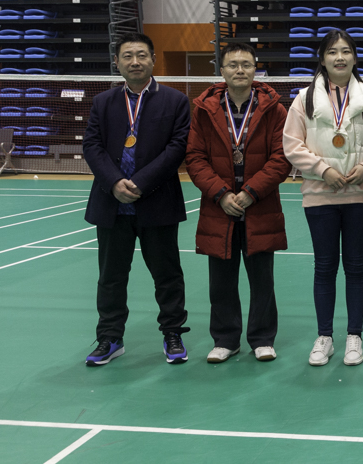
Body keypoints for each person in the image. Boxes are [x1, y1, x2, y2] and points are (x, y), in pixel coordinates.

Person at [82, 33, 191, 366]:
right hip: (111, 204)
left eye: (141, 55)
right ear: (117, 62)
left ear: (153, 60)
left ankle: (173, 333)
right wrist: (115, 182)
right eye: (127, 56)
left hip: (157, 202)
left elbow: (177, 147)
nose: (135, 62)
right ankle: (110, 337)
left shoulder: (175, 100)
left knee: (167, 276)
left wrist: (140, 183)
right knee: (111, 277)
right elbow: (92, 146)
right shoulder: (103, 102)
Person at [283, 30, 363, 367]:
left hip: (360, 194)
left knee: (356, 266)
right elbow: (291, 144)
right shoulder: (304, 99)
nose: (339, 57)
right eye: (332, 52)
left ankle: (354, 336)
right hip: (320, 194)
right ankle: (324, 337)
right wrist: (322, 170)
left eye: (345, 51)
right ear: (322, 58)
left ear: (354, 57)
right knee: (324, 267)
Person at [185, 43, 291, 364]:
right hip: (219, 209)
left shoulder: (275, 110)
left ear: (256, 69)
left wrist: (250, 193)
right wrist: (221, 194)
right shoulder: (204, 109)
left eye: (246, 64)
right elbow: (195, 157)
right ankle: (225, 340)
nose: (240, 70)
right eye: (233, 65)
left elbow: (281, 158)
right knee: (221, 281)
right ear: (222, 70)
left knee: (262, 280)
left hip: (259, 206)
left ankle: (262, 339)